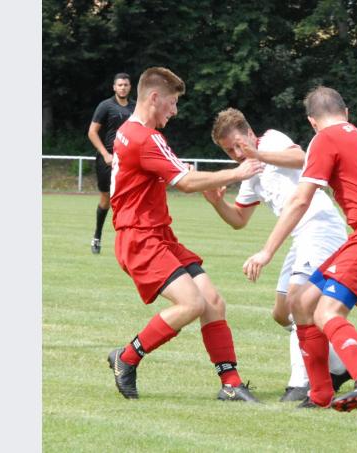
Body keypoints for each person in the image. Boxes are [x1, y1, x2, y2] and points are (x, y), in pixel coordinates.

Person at [242, 86, 357, 412]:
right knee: (301, 302)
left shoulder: (324, 139)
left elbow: (300, 200)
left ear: (312, 121)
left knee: (327, 311)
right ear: (346, 112)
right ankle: (320, 393)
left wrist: (266, 251)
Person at [106, 67, 264, 403]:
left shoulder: (130, 132)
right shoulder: (145, 138)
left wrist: (192, 177)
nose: (175, 111)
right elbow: (187, 183)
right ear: (154, 98)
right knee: (192, 303)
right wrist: (237, 173)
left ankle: (231, 384)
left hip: (157, 233)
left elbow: (172, 174)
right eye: (173, 102)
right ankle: (126, 357)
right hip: (140, 237)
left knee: (213, 302)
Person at [204, 108, 351, 402]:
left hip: (321, 227)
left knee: (298, 302)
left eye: (239, 145)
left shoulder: (271, 140)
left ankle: (301, 383)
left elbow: (302, 158)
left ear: (250, 134)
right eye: (229, 150)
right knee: (281, 313)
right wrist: (216, 202)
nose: (237, 153)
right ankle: (338, 367)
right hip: (301, 237)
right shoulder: (250, 175)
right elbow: (239, 220)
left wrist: (258, 155)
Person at [87, 73, 135, 254]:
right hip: (108, 160)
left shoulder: (136, 107)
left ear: (130, 87)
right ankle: (97, 236)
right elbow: (92, 132)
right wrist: (106, 154)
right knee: (106, 200)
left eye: (126, 85)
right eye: (119, 85)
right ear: (114, 87)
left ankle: (128, 242)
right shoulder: (105, 106)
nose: (123, 88)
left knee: (129, 201)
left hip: (129, 161)